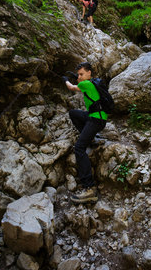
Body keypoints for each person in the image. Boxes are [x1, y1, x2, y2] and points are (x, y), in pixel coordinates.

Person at [62, 62, 107, 204]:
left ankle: (90, 188)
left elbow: (71, 87)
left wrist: (65, 80)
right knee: (74, 113)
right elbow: (82, 82)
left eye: (82, 74)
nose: (79, 77)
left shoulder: (85, 84)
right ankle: (91, 138)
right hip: (97, 117)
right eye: (78, 74)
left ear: (89, 73)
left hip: (96, 120)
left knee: (79, 148)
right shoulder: (93, 82)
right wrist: (76, 76)